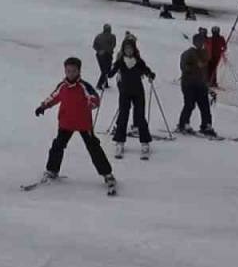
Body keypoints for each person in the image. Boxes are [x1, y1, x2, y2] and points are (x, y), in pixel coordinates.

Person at [34, 57, 116, 190]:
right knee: (58, 146)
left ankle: (107, 174)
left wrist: (92, 102)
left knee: (94, 148)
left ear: (79, 71)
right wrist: (43, 106)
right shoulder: (62, 86)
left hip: (83, 123)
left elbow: (94, 98)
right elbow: (54, 97)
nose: (70, 73)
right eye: (68, 71)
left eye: (73, 71)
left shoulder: (84, 86)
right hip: (66, 123)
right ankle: (52, 170)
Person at [107, 39, 156, 159]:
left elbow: (146, 70)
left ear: (134, 49)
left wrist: (150, 75)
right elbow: (111, 73)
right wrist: (107, 73)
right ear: (123, 50)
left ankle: (145, 143)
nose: (129, 51)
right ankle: (120, 142)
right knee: (123, 116)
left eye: (131, 48)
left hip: (138, 92)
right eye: (126, 49)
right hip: (125, 92)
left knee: (140, 117)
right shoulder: (120, 62)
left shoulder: (138, 61)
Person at [177, 35, 215, 136]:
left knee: (205, 106)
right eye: (198, 41)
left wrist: (207, 82)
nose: (200, 44)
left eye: (202, 41)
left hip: (201, 84)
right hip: (188, 83)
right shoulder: (188, 53)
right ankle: (183, 124)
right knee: (189, 104)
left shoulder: (205, 53)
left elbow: (207, 67)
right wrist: (195, 67)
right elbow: (183, 67)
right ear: (194, 42)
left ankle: (206, 125)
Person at [92, 23, 116, 89]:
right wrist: (105, 50)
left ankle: (105, 83)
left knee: (104, 70)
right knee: (105, 70)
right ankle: (99, 84)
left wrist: (99, 50)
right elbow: (113, 45)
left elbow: (94, 45)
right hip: (107, 55)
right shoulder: (112, 36)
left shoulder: (98, 36)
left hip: (100, 55)